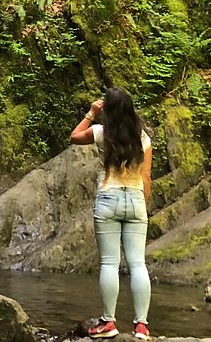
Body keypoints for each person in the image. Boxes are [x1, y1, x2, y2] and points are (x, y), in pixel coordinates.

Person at [70, 86, 152, 340]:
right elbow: (146, 177)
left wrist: (91, 113)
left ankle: (108, 322)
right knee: (138, 264)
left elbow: (74, 136)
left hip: (108, 198)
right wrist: (143, 205)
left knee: (109, 263)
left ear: (108, 109)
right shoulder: (144, 138)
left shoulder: (102, 132)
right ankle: (141, 326)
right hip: (135, 198)